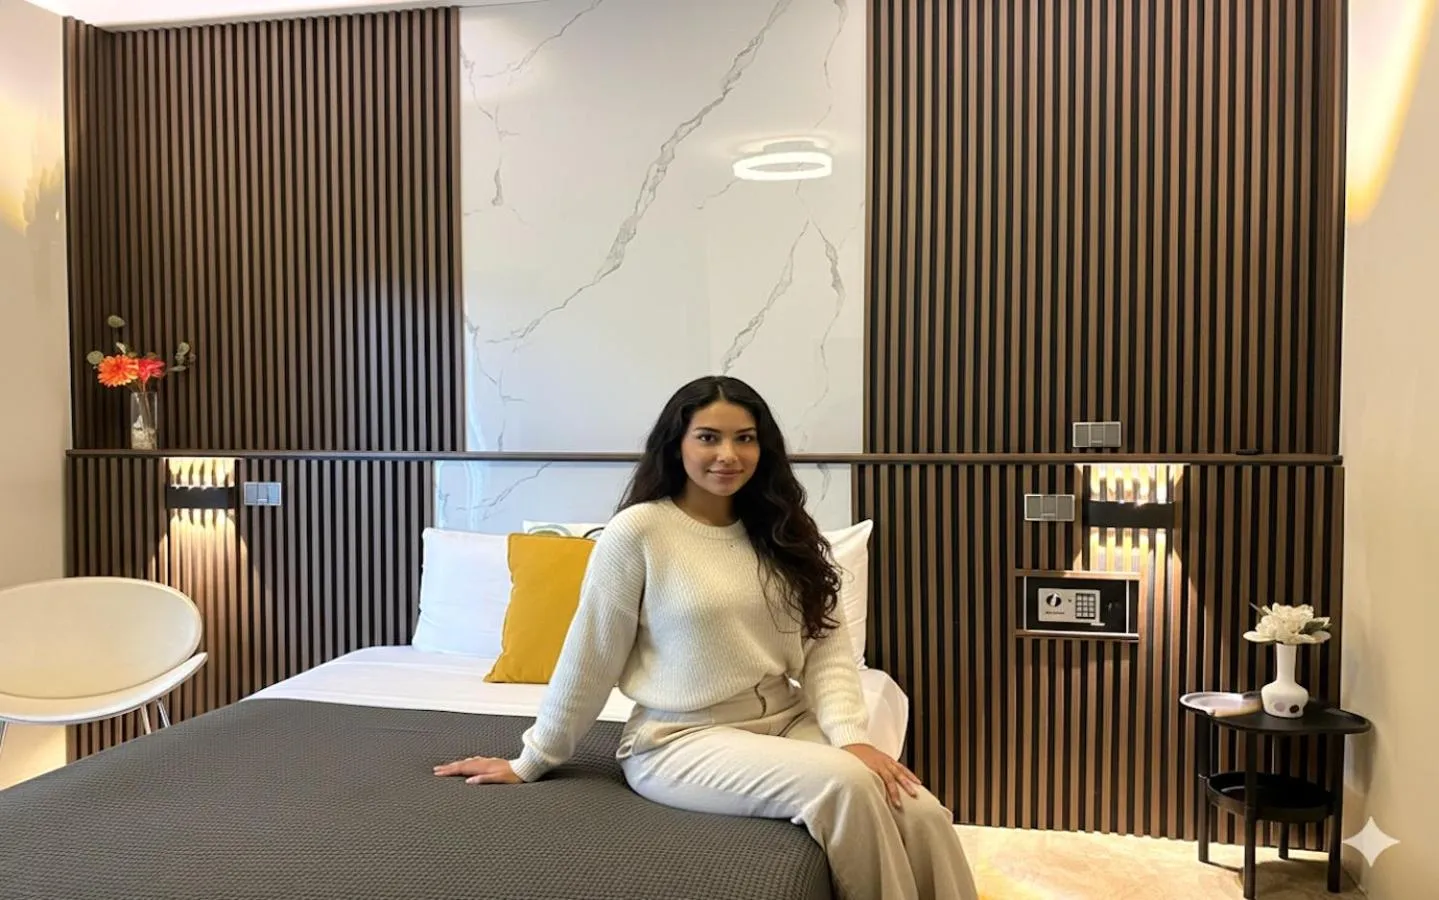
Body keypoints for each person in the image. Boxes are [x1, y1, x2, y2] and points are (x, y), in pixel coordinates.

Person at [433, 375, 979, 900]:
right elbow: (591, 654)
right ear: (678, 445)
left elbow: (827, 651)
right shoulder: (640, 532)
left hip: (786, 720)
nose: (728, 455)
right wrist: (533, 759)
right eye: (709, 437)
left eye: (745, 439)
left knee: (917, 808)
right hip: (680, 739)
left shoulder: (781, 531)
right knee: (848, 783)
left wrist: (852, 736)